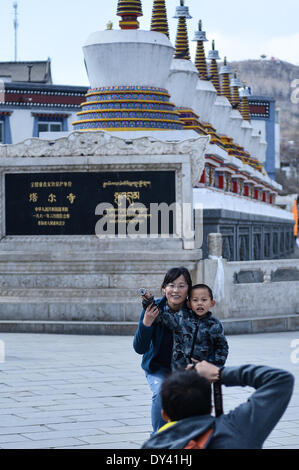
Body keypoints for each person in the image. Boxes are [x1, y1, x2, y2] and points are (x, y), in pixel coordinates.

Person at [141, 360, 294, 449]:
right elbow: (280, 379)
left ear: (164, 414)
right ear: (210, 407)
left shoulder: (152, 446)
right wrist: (220, 373)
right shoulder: (237, 428)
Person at [133, 266, 192, 434]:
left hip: (185, 370)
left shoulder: (193, 311)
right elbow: (139, 348)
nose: (176, 290)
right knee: (161, 393)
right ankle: (158, 438)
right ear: (164, 288)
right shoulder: (153, 308)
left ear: (188, 288)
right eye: (172, 285)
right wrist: (146, 323)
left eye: (182, 285)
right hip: (158, 369)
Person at [155, 284, 229, 371]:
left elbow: (222, 347)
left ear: (212, 303)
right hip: (179, 370)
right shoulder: (181, 318)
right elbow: (162, 317)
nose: (200, 303)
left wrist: (214, 365)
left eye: (204, 300)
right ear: (189, 304)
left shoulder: (214, 324)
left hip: (202, 371)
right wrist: (148, 302)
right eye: (195, 300)